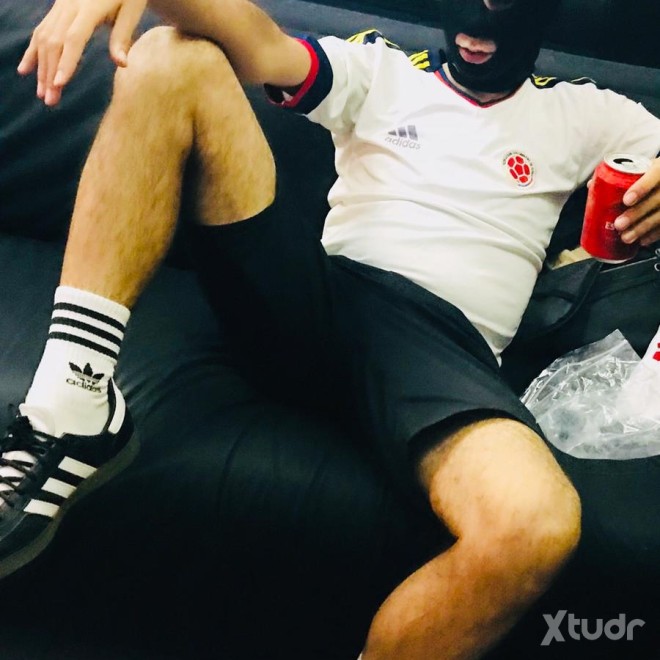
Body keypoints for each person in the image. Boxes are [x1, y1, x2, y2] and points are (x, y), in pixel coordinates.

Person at [4, 0, 660, 657]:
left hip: (439, 350)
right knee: (172, 54)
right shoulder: (383, 70)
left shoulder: (584, 112)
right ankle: (74, 401)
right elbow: (257, 41)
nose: (477, 23)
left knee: (535, 527)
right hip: (315, 295)